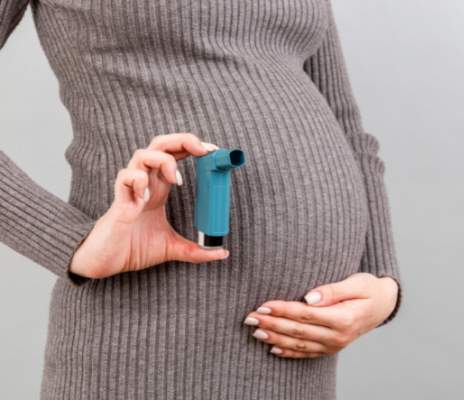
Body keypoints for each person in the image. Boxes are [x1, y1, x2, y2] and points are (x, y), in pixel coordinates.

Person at [0, 0, 401, 398]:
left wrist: (382, 283)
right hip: (152, 337)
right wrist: (71, 242)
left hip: (299, 352)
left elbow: (346, 125)